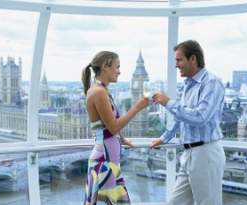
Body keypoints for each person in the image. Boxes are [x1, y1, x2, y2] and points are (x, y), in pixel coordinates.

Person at [150, 40, 226, 205]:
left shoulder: (211, 82)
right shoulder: (188, 85)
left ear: (193, 59)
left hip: (206, 153)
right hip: (189, 154)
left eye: (179, 60)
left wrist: (168, 102)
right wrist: (164, 138)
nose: (176, 65)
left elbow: (200, 117)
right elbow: (181, 116)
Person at [82, 51, 149, 205]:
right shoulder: (99, 92)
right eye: (117, 67)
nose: (119, 71)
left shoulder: (102, 90)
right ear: (106, 67)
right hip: (105, 161)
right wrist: (138, 106)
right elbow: (112, 127)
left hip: (108, 158)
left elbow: (104, 127)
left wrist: (122, 139)